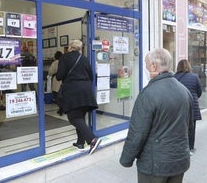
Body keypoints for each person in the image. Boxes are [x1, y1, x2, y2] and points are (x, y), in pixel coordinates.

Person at [119, 48, 194, 183]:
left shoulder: (148, 94)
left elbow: (137, 133)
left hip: (155, 165)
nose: (146, 67)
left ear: (154, 66)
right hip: (180, 161)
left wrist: (126, 159)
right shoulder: (185, 91)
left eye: (146, 63)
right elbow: (189, 126)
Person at [56, 39, 101, 155]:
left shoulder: (64, 58)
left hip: (73, 91)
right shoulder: (84, 59)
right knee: (80, 116)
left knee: (74, 118)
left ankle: (92, 139)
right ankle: (80, 142)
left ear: (69, 47)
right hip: (86, 91)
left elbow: (59, 76)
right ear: (80, 48)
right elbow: (91, 76)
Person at [174, 59, 202, 155]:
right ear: (189, 66)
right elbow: (199, 91)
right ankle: (190, 149)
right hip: (192, 105)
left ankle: (179, 148)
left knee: (178, 127)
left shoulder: (174, 77)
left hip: (178, 106)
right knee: (191, 128)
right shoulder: (194, 77)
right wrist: (193, 98)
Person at [48, 51, 63, 116]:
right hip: (64, 80)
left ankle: (61, 108)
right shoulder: (64, 62)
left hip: (56, 80)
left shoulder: (55, 63)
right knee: (62, 96)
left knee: (56, 95)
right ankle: (62, 108)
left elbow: (50, 72)